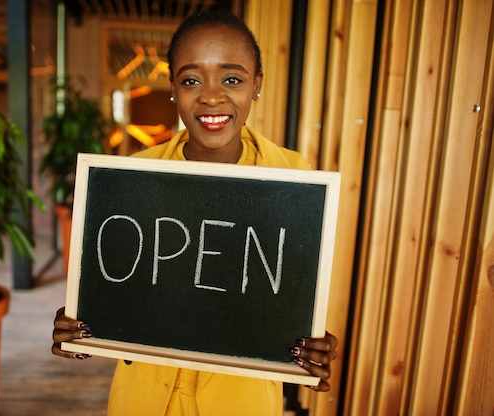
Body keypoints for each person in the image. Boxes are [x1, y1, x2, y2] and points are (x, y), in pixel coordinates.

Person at [52, 9, 338, 415]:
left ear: (256, 84)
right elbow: (115, 293)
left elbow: (294, 299)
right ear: (172, 88)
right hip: (143, 400)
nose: (212, 96)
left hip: (241, 403)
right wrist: (84, 324)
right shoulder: (131, 179)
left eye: (232, 79)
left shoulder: (298, 182)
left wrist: (314, 345)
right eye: (190, 79)